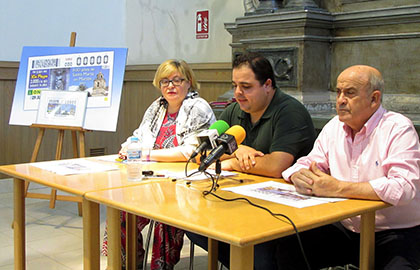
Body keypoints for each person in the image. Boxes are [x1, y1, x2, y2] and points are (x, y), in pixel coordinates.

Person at [281, 65, 420, 269]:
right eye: (338, 92)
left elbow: (403, 188)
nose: (340, 100)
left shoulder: (398, 128)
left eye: (350, 93)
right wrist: (299, 176)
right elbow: (306, 163)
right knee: (287, 244)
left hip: (394, 232)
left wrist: (338, 188)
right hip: (346, 227)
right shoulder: (334, 126)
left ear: (374, 99)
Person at [187, 52, 317, 269]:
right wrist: (239, 150)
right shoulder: (233, 110)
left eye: (246, 87)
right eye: (235, 85)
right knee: (193, 224)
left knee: (256, 245)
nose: (238, 93)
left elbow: (276, 166)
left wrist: (232, 160)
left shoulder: (290, 112)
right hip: (242, 198)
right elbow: (202, 154)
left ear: (267, 85)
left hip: (286, 210)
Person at [102, 59, 216, 269]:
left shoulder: (198, 107)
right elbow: (140, 135)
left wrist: (147, 154)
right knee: (119, 209)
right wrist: (129, 146)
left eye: (176, 80)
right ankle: (126, 264)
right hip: (153, 179)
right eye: (165, 81)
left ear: (188, 82)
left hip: (185, 183)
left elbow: (191, 152)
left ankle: (161, 266)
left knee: (165, 214)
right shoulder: (157, 106)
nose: (170, 86)